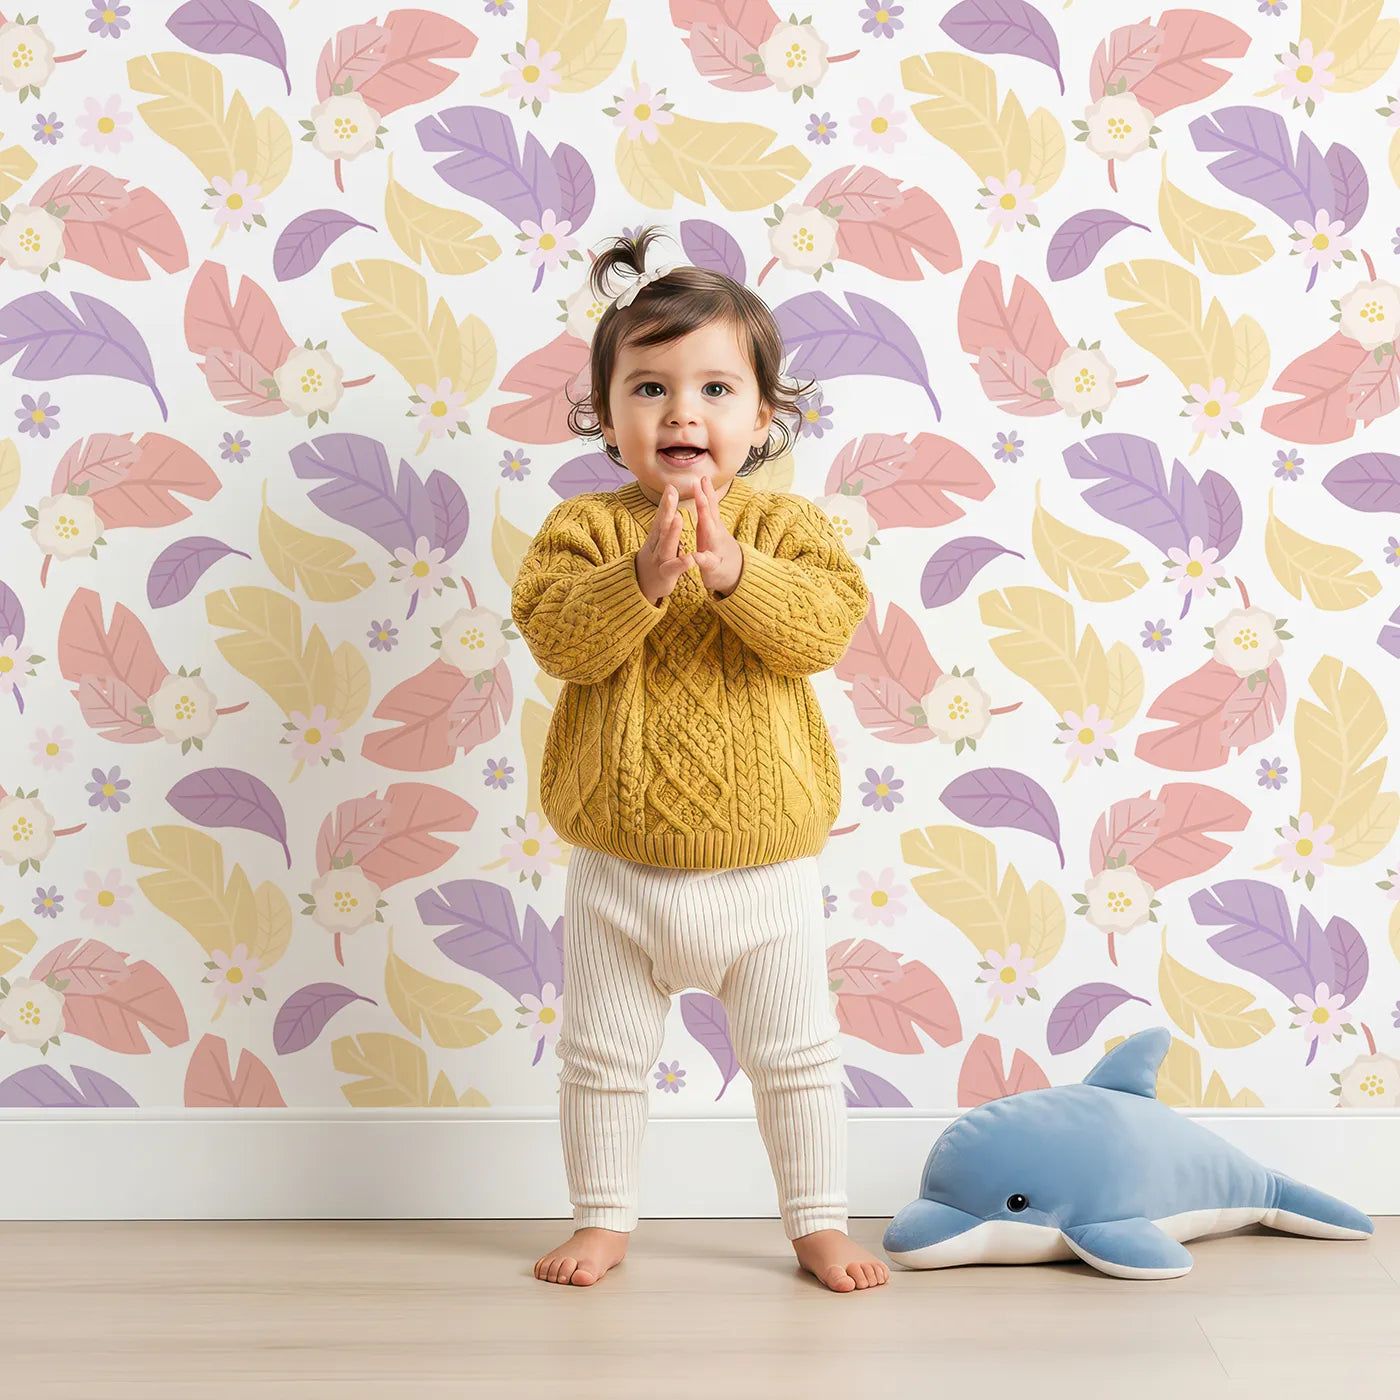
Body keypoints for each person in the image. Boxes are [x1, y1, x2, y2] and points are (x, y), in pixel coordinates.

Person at [510, 224, 887, 1293]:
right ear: (606, 413)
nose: (682, 411)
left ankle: (815, 1221)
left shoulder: (791, 528)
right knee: (600, 1060)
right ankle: (602, 1217)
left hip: (764, 872)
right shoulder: (582, 531)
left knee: (796, 1061)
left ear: (761, 418)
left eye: (716, 388)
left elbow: (817, 632)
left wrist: (730, 572)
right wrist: (640, 576)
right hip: (618, 870)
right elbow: (558, 643)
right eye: (648, 387)